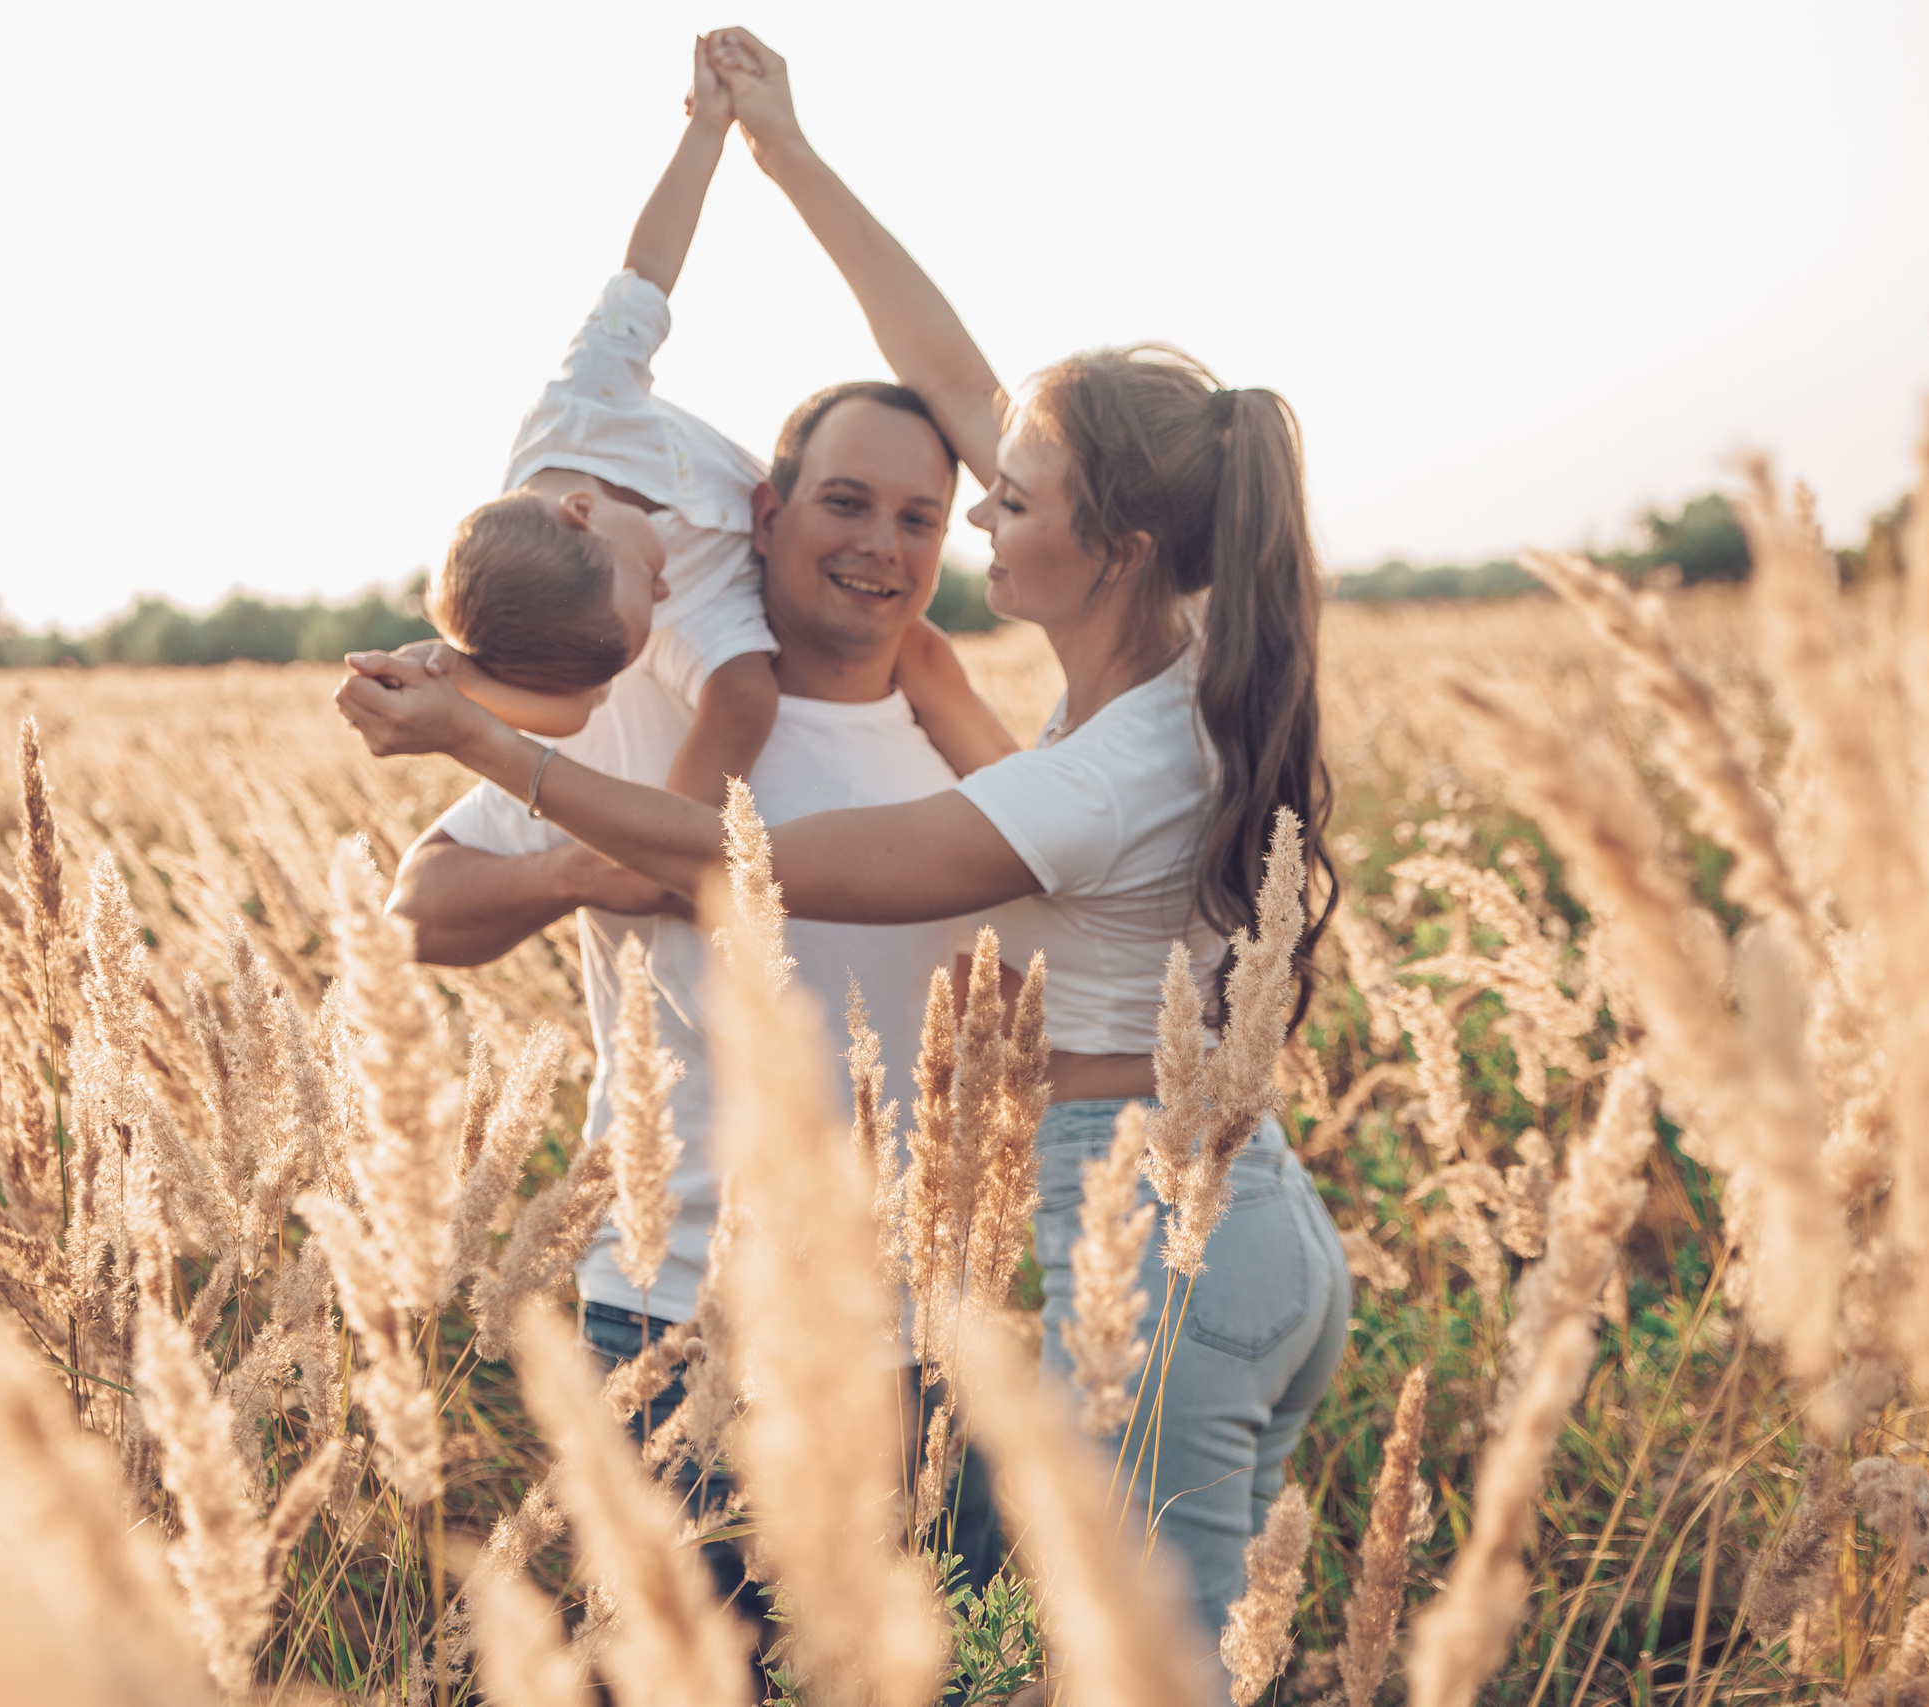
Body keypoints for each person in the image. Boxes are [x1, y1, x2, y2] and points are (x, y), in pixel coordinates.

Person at [337, 29, 1350, 1689]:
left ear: (1108, 545)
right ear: (767, 514)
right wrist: (783, 151)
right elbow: (951, 370)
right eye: (854, 506)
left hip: (1092, 1257)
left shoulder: (1088, 770)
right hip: (1128, 1230)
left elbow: (756, 858)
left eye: (979, 507)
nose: (942, 533)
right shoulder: (1158, 657)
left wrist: (484, 741)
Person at [364, 37, 1016, 1606]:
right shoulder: (658, 689)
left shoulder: (963, 738)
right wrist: (611, 860)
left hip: (929, 1327)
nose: (879, 542)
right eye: (846, 503)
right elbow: (425, 905)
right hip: (670, 1316)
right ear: (768, 509)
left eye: (918, 517)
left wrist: (741, 137)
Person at [407, 34, 1004, 805]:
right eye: (643, 622)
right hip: (731, 598)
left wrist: (705, 132)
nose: (659, 600)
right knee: (747, 698)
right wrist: (463, 681)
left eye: (644, 586)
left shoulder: (585, 404)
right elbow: (578, 707)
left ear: (583, 512)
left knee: (923, 654)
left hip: (795, 532)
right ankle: (682, 839)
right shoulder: (665, 603)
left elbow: (648, 270)